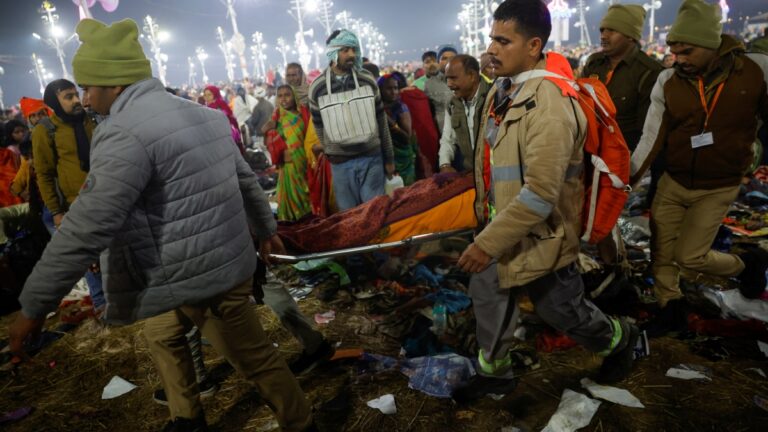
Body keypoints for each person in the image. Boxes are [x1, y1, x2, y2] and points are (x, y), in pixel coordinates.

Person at [8, 18, 314, 432]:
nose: (85, 97)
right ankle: (186, 417)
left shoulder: (124, 133)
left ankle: (301, 423)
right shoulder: (201, 114)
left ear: (113, 83)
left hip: (202, 276)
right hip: (188, 265)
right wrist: (264, 227)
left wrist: (34, 305)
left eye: (88, 87)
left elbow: (88, 225)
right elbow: (246, 179)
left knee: (254, 359)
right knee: (163, 334)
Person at [452, 0, 639, 403]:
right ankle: (496, 371)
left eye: (504, 41)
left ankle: (619, 339)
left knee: (560, 310)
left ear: (534, 45)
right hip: (502, 229)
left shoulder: (550, 103)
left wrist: (486, 243)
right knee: (489, 296)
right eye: (491, 39)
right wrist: (486, 227)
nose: (492, 49)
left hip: (544, 234)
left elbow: (540, 195)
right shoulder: (507, 90)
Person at [629, 0, 768, 336]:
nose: (679, 59)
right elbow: (651, 138)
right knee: (661, 251)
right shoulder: (668, 80)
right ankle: (669, 306)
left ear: (710, 45)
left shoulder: (755, 70)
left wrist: (754, 152)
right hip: (673, 181)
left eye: (687, 51)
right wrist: (627, 181)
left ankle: (745, 263)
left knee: (690, 257)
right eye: (675, 52)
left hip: (719, 185)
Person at [30, 79, 106, 313]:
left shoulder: (93, 120)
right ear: (54, 102)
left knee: (111, 251)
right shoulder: (46, 130)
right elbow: (44, 173)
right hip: (74, 205)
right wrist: (56, 212)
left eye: (76, 94)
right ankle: (103, 306)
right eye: (68, 97)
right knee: (88, 259)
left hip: (105, 197)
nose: (76, 100)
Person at [308, 29, 394, 211]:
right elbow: (319, 126)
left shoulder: (367, 80)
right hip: (340, 165)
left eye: (353, 49)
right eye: (345, 50)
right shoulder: (318, 87)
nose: (352, 55)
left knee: (376, 213)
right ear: (332, 52)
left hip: (372, 158)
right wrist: (332, 150)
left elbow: (381, 121)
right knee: (350, 218)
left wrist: (389, 157)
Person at [581, 4, 663, 151]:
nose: (603, 36)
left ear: (630, 36)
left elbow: (648, 130)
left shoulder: (649, 72)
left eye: (611, 30)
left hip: (624, 156)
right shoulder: (593, 64)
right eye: (602, 30)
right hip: (590, 151)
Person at [263, 85, 313, 221]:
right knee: (291, 198)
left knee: (307, 195)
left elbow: (310, 136)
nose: (283, 99)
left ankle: (308, 222)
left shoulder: (303, 113)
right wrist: (266, 130)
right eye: (280, 96)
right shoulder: (277, 117)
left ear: (294, 96)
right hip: (288, 166)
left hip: (304, 162)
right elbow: (267, 139)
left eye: (287, 95)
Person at [438, 54, 492, 174]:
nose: (449, 84)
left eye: (453, 78)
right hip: (471, 175)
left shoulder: (493, 97)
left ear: (472, 76)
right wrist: (444, 164)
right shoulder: (452, 105)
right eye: (447, 78)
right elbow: (448, 139)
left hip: (495, 175)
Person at [378, 72, 417, 185]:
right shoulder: (377, 108)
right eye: (389, 88)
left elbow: (406, 138)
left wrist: (390, 122)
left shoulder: (401, 108)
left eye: (395, 88)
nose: (393, 92)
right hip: (383, 157)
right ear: (380, 90)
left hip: (402, 158)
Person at [425, 44, 458, 136]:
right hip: (445, 137)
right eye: (444, 58)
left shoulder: (468, 80)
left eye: (452, 57)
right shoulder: (430, 84)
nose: (448, 61)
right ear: (438, 62)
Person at [203, 84, 244, 154]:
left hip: (225, 135)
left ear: (215, 94)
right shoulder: (207, 106)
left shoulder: (219, 104)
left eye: (209, 95)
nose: (207, 97)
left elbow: (229, 119)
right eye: (205, 95)